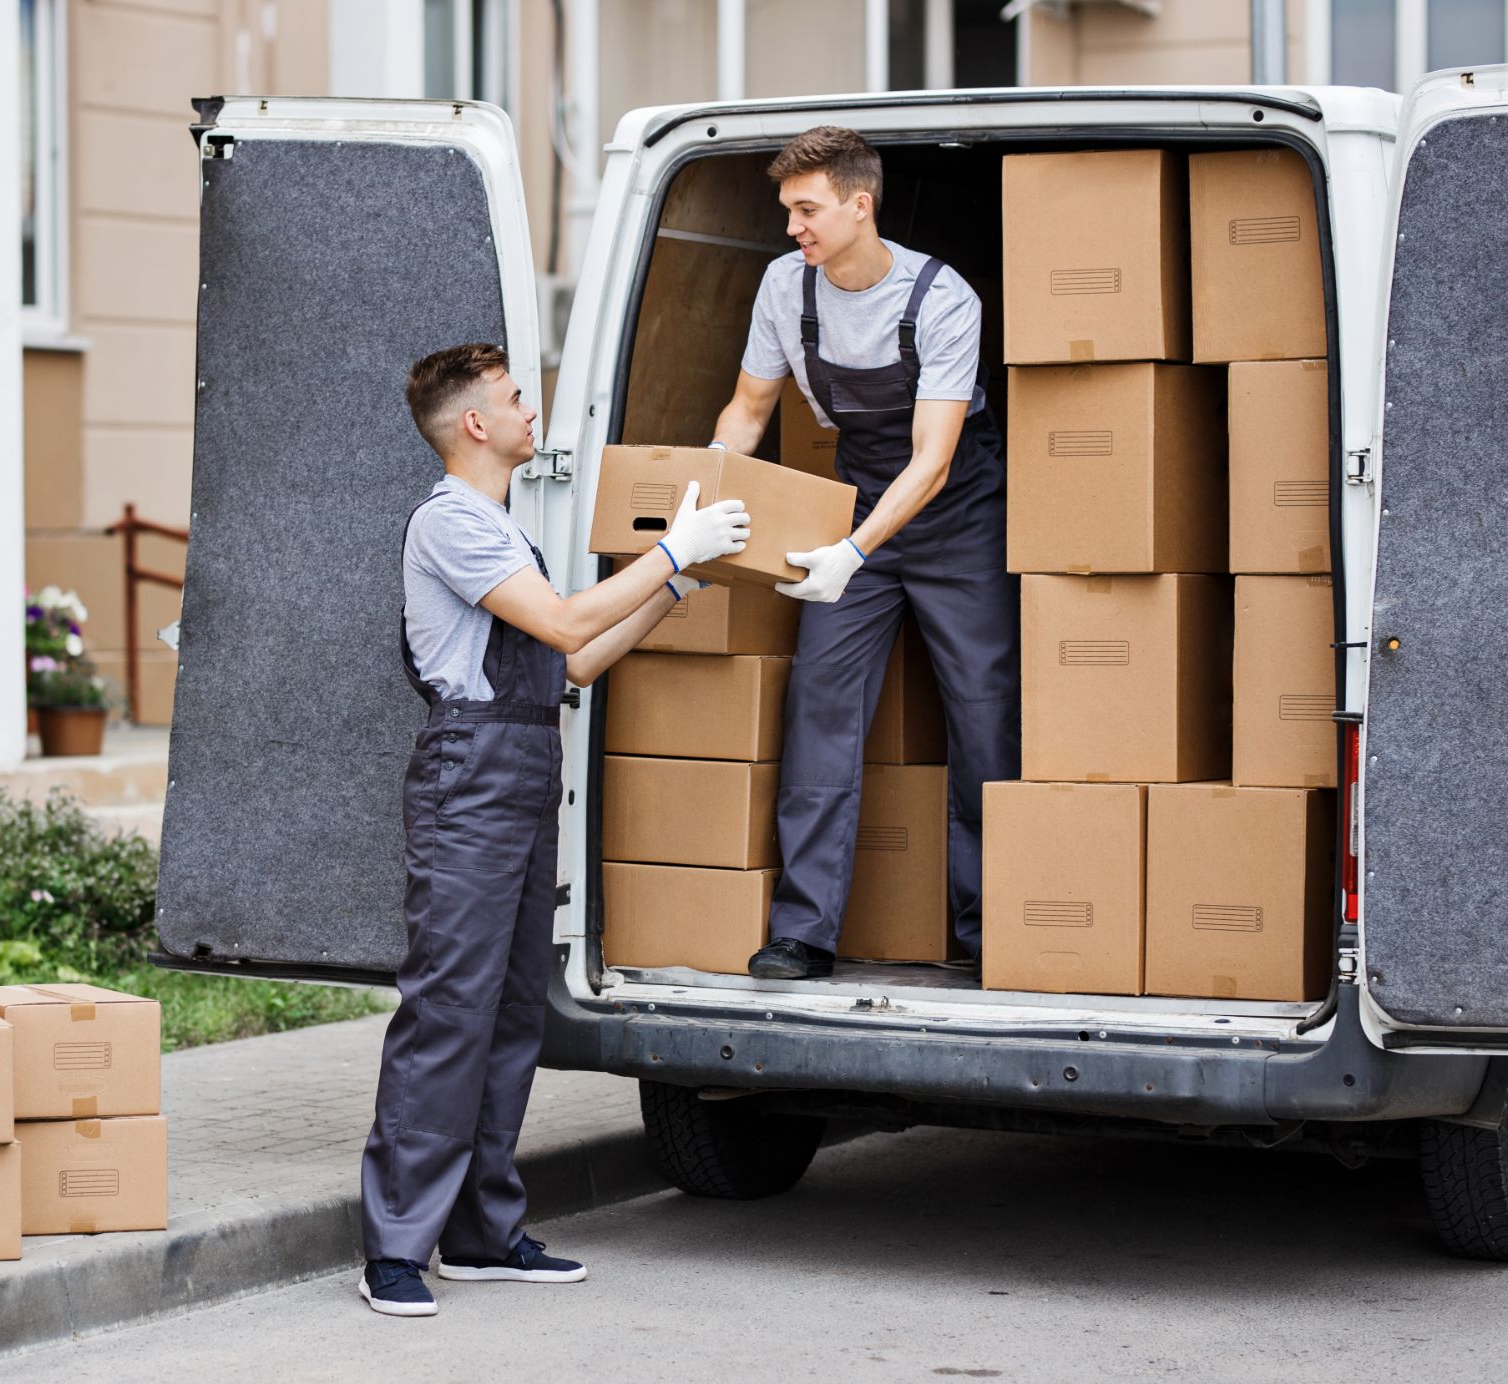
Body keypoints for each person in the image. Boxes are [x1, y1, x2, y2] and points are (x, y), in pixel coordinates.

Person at [358, 342, 751, 1317]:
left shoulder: (501, 528)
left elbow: (571, 664)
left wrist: (670, 588)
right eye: (513, 397)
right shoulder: (451, 523)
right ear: (475, 426)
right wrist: (669, 551)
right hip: (469, 775)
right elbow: (569, 626)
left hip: (523, 762)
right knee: (449, 1009)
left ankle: (481, 1232)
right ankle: (395, 1247)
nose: (531, 410)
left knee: (509, 1017)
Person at [706, 126, 1020, 982]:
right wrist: (707, 484)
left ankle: (992, 928)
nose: (792, 228)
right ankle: (803, 931)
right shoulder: (784, 286)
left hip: (956, 517)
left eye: (806, 210)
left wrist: (850, 550)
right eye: (788, 211)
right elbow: (749, 406)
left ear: (859, 204)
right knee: (820, 706)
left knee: (986, 717)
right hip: (857, 515)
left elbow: (935, 459)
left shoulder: (943, 298)